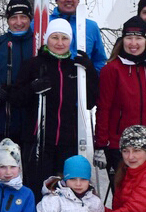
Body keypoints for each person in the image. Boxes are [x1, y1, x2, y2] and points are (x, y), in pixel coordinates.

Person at [9, 18, 99, 196]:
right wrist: (32, 88)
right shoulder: (33, 65)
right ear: (46, 39)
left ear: (70, 41)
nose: (59, 43)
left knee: (65, 191)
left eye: (64, 38)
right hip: (39, 141)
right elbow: (16, 99)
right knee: (37, 189)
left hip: (68, 141)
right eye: (54, 37)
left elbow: (90, 101)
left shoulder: (75, 68)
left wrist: (90, 72)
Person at [96, 16, 146, 173]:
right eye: (129, 38)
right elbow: (103, 107)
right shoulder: (112, 69)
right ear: (123, 40)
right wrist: (100, 144)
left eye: (138, 38)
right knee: (123, 193)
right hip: (119, 144)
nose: (133, 43)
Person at [0, 0, 37, 147]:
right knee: (5, 170)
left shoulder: (40, 44)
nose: (19, 22)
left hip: (35, 127)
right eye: (14, 17)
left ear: (30, 19)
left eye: (23, 17)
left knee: (31, 170)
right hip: (4, 125)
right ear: (8, 20)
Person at [50, 0, 108, 70]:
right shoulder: (45, 23)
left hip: (82, 80)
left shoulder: (91, 27)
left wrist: (91, 74)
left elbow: (99, 60)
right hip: (53, 81)